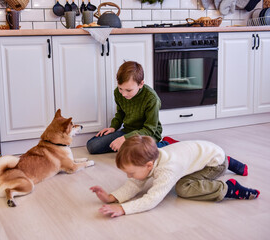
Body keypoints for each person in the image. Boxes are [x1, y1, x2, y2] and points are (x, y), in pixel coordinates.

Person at [90, 135, 260, 218]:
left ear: (149, 165)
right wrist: (112, 197)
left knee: (182, 187)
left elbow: (152, 199)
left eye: (131, 172)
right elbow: (134, 184)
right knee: (179, 178)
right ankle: (226, 159)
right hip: (208, 150)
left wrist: (123, 209)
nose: (129, 176)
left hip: (213, 162)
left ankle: (229, 188)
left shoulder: (167, 169)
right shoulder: (150, 158)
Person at [86, 61, 172, 154]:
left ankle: (163, 144)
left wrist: (124, 139)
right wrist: (113, 127)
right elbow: (120, 114)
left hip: (147, 135)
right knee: (92, 146)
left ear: (141, 84)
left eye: (128, 90)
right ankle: (128, 147)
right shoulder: (118, 93)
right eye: (120, 88)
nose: (123, 94)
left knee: (136, 153)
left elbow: (149, 130)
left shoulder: (151, 98)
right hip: (128, 132)